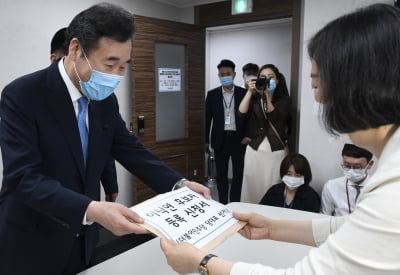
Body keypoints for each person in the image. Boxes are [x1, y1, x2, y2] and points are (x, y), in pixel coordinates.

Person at [160, 3, 400, 274]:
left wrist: (202, 262)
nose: (318, 97)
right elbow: (351, 227)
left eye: (319, 83)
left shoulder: (393, 190)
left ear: (363, 83)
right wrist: (273, 227)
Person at [0, 4, 210, 275]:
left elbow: (129, 148)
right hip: (32, 239)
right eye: (110, 63)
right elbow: (23, 178)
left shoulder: (104, 100)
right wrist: (92, 209)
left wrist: (178, 184)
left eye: (124, 66)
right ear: (76, 49)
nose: (116, 76)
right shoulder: (23, 95)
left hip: (83, 239)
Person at [50, 27, 120, 203]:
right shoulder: (28, 97)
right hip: (46, 211)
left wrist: (110, 183)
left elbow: (106, 143)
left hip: (90, 204)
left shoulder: (102, 97)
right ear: (56, 59)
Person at [239, 64, 291, 203]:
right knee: (251, 186)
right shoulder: (255, 99)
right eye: (263, 77)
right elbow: (241, 113)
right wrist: (250, 92)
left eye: (270, 77)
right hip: (254, 150)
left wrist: (268, 97)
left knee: (271, 186)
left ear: (278, 80)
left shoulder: (285, 100)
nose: (267, 80)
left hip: (274, 152)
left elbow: (275, 117)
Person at [205, 59, 247, 204]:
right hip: (220, 139)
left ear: (234, 74)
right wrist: (205, 140)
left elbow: (249, 117)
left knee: (238, 174)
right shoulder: (212, 95)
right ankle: (223, 203)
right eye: (222, 74)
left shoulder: (244, 93)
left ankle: (235, 203)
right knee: (221, 175)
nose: (225, 76)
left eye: (228, 73)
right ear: (219, 75)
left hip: (239, 140)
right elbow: (207, 119)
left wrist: (248, 136)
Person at [321, 143, 374, 216]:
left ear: (370, 164)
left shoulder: (379, 187)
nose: (351, 170)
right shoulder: (331, 186)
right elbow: (324, 216)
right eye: (347, 166)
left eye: (357, 167)